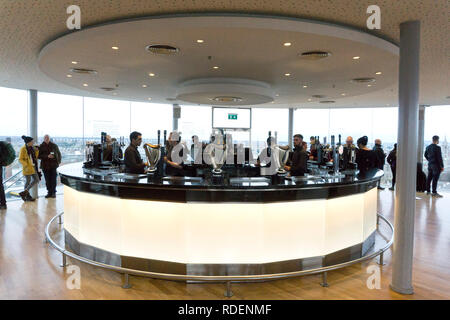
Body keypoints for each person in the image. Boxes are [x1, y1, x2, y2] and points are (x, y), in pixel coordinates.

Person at [18, 135, 40, 202]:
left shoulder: (32, 148)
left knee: (36, 179)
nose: (33, 142)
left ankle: (24, 192)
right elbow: (20, 159)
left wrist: (37, 150)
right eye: (32, 141)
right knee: (27, 181)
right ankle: (27, 196)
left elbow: (35, 157)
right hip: (27, 168)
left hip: (33, 167)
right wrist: (26, 165)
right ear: (28, 142)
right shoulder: (23, 149)